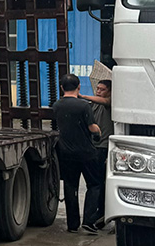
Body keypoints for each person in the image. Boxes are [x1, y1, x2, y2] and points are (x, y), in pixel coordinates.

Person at [52, 74, 102, 234]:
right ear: (79, 87)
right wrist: (98, 132)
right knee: (94, 185)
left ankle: (72, 224)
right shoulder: (83, 106)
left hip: (66, 153)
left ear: (61, 88)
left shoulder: (57, 105)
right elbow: (92, 127)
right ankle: (89, 221)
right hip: (87, 153)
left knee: (70, 186)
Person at [80, 79, 113, 230]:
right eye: (97, 88)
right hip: (91, 147)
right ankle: (95, 216)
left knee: (99, 183)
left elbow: (105, 101)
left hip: (103, 147)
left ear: (110, 91)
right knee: (96, 183)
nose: (98, 91)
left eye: (102, 89)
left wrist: (83, 96)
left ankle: (98, 215)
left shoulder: (109, 103)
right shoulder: (91, 106)